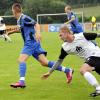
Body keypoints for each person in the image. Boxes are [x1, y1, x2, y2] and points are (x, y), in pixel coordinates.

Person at [10, 3, 73, 88]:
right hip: (34, 43)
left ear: (14, 11)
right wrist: (11, 32)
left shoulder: (24, 17)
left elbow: (36, 24)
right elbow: (21, 29)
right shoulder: (19, 20)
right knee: (44, 63)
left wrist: (38, 33)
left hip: (30, 42)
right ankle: (67, 70)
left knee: (21, 60)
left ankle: (21, 81)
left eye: (12, 11)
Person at [42, 24, 100, 97]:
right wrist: (50, 72)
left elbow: (97, 35)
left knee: (83, 70)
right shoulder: (65, 47)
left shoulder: (82, 36)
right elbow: (59, 61)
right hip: (92, 60)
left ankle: (98, 89)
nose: (60, 37)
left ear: (66, 32)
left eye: (60, 35)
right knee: (85, 69)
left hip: (96, 54)